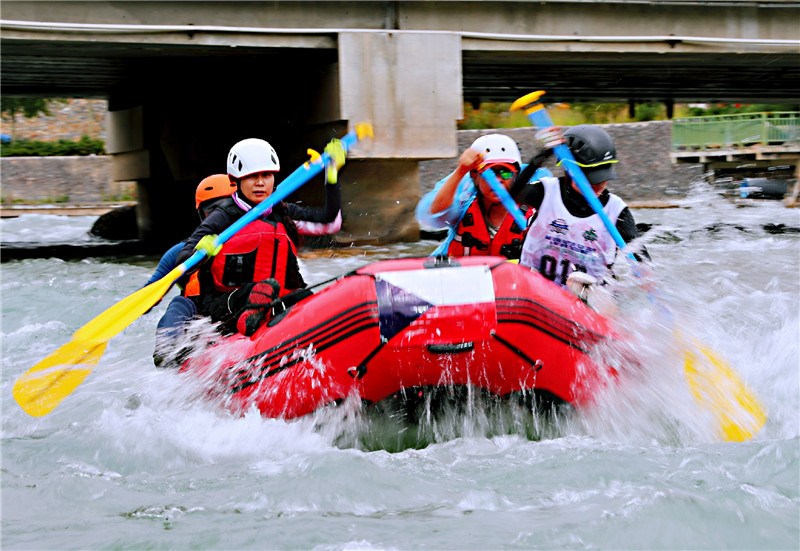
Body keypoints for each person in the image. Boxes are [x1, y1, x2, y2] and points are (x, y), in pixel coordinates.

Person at [173, 136, 346, 339]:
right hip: (227, 308)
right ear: (235, 180)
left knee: (304, 296)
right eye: (252, 176)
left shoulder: (282, 212)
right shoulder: (222, 217)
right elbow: (182, 263)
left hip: (276, 300)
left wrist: (331, 175)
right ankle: (248, 324)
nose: (260, 183)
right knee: (261, 289)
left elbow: (331, 222)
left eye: (266, 175)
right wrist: (201, 251)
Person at [511, 124, 648, 311]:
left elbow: (642, 259)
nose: (599, 182)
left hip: (586, 306)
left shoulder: (616, 211)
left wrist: (645, 275)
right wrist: (542, 157)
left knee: (601, 291)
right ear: (568, 169)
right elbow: (510, 195)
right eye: (590, 175)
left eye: (603, 173)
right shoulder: (546, 191)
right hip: (533, 294)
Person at [415, 134, 536, 259]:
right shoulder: (463, 205)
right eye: (490, 173)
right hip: (460, 270)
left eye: (506, 172)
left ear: (516, 175)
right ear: (475, 176)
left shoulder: (533, 211)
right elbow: (436, 217)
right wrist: (461, 170)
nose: (498, 180)